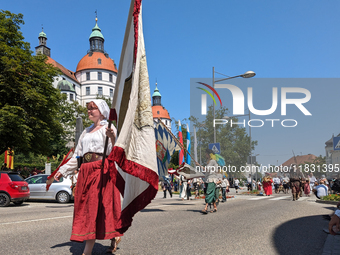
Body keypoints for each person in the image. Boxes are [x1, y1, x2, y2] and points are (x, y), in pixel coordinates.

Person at [46, 100, 122, 255]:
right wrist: (63, 169)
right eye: (88, 109)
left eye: (92, 109)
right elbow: (78, 155)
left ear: (101, 111)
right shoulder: (86, 132)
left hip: (102, 170)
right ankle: (115, 235)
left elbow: (116, 152)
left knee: (94, 208)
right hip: (85, 171)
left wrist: (113, 137)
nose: (89, 111)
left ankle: (87, 251)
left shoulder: (109, 127)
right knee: (87, 208)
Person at [201, 149, 219, 214]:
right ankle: (215, 207)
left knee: (208, 193)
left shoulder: (212, 161)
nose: (205, 155)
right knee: (212, 194)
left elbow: (207, 169)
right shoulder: (209, 162)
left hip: (211, 179)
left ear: (209, 154)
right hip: (208, 179)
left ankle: (206, 208)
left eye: (206, 153)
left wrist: (199, 165)